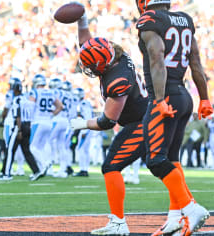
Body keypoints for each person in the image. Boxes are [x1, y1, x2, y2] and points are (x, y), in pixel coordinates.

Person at [135, 0, 213, 235]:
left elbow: (157, 58)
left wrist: (159, 99)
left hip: (166, 96)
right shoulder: (185, 20)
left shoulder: (150, 21)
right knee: (172, 159)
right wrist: (205, 98)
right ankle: (175, 217)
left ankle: (191, 208)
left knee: (156, 160)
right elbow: (196, 62)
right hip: (184, 95)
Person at [68, 9, 148, 234]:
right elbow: (86, 43)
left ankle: (119, 223)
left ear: (101, 65)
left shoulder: (117, 80)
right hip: (138, 119)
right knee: (161, 165)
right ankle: (184, 209)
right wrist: (82, 20)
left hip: (141, 123)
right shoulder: (115, 57)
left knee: (111, 166)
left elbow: (107, 121)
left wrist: (82, 124)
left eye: (91, 65)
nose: (88, 68)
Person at [0, 79, 45, 181]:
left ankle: (6, 174)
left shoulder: (17, 100)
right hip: (28, 126)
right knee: (26, 151)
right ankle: (36, 171)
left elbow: (17, 115)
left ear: (15, 90)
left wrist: (19, 130)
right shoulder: (26, 100)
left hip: (19, 126)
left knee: (10, 150)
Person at [29, 74, 63, 172]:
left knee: (32, 147)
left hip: (38, 122)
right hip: (48, 122)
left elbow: (30, 107)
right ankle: (44, 168)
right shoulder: (50, 93)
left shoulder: (34, 92)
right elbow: (60, 106)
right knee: (42, 147)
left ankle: (45, 164)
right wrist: (51, 115)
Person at [1, 77, 25, 175]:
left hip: (10, 121)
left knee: (9, 146)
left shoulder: (10, 95)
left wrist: (2, 119)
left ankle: (8, 169)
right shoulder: (24, 96)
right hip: (21, 121)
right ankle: (20, 168)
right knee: (18, 147)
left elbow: (6, 109)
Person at [72, 87, 94, 177]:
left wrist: (85, 130)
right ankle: (85, 169)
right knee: (84, 150)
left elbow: (87, 117)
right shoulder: (85, 103)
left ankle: (83, 169)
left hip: (86, 128)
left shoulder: (83, 104)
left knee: (81, 149)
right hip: (88, 127)